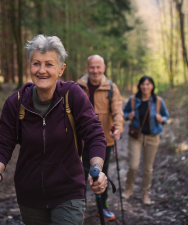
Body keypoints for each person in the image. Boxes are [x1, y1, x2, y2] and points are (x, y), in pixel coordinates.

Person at [0, 35, 108, 225]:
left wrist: (97, 169)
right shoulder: (16, 103)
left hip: (69, 192)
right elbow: (3, 142)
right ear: (29, 66)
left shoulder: (72, 95)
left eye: (49, 64)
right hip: (29, 195)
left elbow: (94, 134)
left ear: (61, 69)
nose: (42, 70)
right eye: (36, 64)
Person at [77, 55, 124, 221]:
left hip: (104, 140)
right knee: (79, 176)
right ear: (87, 68)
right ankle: (78, 209)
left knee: (102, 174)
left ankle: (102, 207)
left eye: (98, 67)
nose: (95, 71)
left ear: (103, 68)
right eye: (92, 67)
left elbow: (118, 111)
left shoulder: (110, 87)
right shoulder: (77, 87)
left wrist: (118, 128)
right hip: (80, 141)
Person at [122, 76, 170, 205]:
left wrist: (162, 119)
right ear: (139, 86)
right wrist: (128, 115)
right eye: (143, 84)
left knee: (148, 168)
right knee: (133, 166)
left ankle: (145, 194)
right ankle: (128, 189)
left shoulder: (158, 101)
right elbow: (123, 113)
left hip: (152, 137)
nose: (145, 86)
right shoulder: (133, 100)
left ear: (152, 86)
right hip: (135, 136)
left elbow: (166, 116)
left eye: (148, 84)